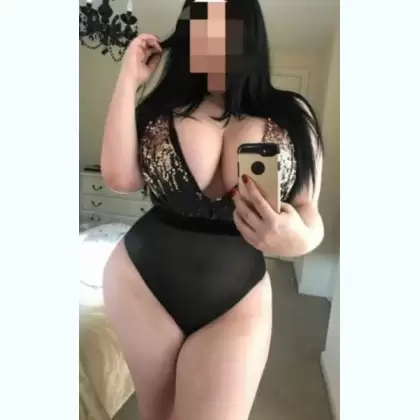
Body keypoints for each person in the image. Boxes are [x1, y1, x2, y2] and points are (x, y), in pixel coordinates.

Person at [101, 0, 324, 419]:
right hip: (141, 282)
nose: (213, 37)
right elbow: (119, 178)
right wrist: (128, 80)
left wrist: (298, 239)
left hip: (237, 293)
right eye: (202, 22)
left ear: (248, 31)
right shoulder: (163, 108)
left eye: (226, 24)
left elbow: (308, 211)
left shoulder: (292, 114)